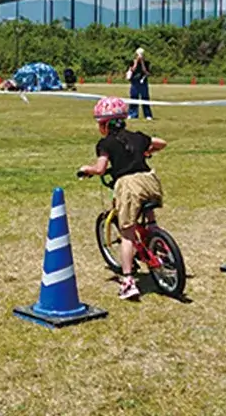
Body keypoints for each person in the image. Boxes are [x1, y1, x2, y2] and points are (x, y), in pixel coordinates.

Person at [77, 96, 167, 300]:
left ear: (106, 124)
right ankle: (155, 238)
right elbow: (162, 143)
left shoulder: (105, 143)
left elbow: (100, 169)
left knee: (127, 233)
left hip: (128, 186)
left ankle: (128, 281)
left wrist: (86, 169)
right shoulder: (137, 136)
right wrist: (146, 151)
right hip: (149, 181)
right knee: (147, 216)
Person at [127, 47, 154, 120]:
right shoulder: (132, 62)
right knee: (133, 98)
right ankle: (132, 114)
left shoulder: (146, 63)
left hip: (143, 82)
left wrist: (142, 62)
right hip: (134, 82)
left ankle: (147, 115)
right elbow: (132, 70)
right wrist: (136, 62)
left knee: (145, 98)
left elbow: (146, 72)